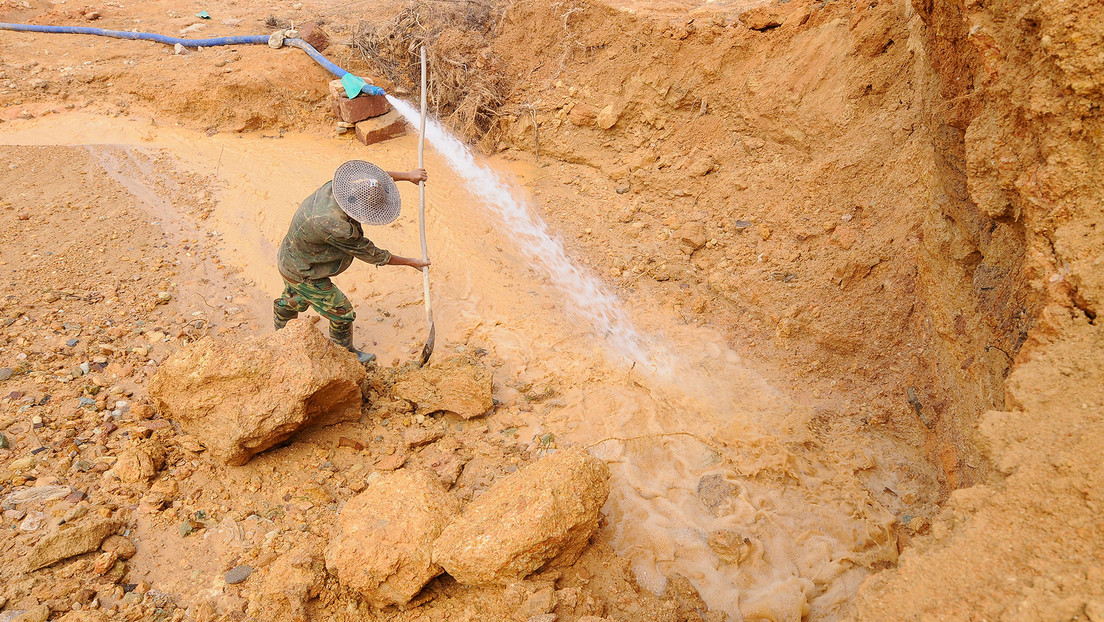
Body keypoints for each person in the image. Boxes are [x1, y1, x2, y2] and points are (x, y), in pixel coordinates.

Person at [273, 160, 429, 364]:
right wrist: (411, 262)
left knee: (300, 295)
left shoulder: (337, 188)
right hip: (304, 271)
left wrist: (408, 176)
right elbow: (373, 254)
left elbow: (373, 183)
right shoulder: (337, 227)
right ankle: (346, 354)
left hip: (290, 255)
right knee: (342, 312)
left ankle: (282, 324)